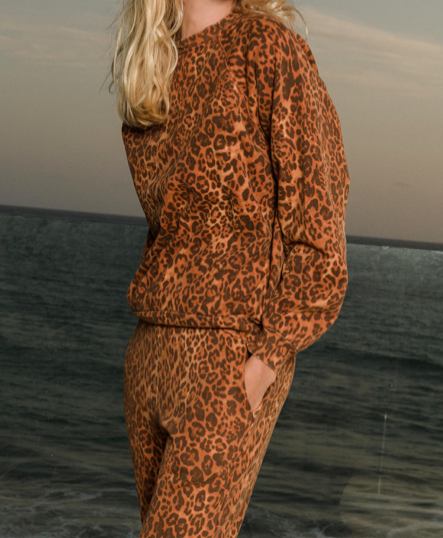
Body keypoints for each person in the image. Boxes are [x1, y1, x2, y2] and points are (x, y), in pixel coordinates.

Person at [108, 0, 350, 535]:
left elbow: (320, 226)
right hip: (150, 353)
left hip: (228, 357)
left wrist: (267, 359)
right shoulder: (153, 68)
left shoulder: (268, 46)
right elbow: (170, 227)